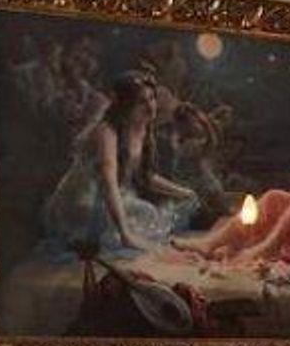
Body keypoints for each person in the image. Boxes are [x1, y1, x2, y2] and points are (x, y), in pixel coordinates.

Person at [40, 72, 197, 253]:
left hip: (113, 195)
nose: (150, 106)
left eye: (152, 98)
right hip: (86, 200)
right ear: (125, 105)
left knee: (153, 212)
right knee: (143, 215)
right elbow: (109, 182)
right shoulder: (107, 131)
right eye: (141, 102)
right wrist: (125, 234)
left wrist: (183, 192)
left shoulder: (142, 128)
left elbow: (145, 177)